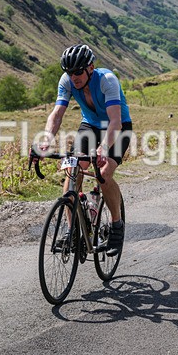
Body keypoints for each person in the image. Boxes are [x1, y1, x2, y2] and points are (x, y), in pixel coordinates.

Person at [34, 44, 132, 256]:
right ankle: (72, 232)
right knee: (73, 169)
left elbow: (115, 121)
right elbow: (57, 114)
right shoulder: (67, 81)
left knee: (103, 174)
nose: (74, 77)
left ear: (90, 68)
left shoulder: (107, 80)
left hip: (118, 126)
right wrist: (46, 139)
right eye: (69, 72)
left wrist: (104, 147)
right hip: (90, 126)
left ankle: (116, 226)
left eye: (78, 71)